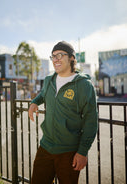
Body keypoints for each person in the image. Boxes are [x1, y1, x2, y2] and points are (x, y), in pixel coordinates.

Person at [28, 41, 98, 184]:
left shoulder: (84, 86)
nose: (56, 59)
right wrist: (34, 102)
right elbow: (43, 94)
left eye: (60, 55)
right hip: (46, 147)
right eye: (53, 56)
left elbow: (91, 121)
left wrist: (82, 152)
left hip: (69, 152)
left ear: (72, 59)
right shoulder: (48, 80)